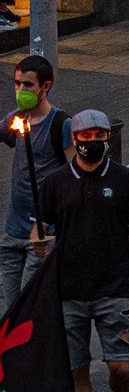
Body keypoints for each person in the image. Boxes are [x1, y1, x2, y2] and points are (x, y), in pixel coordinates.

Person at [39, 108, 129, 392]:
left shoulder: (123, 180)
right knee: (77, 370)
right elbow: (41, 230)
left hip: (113, 288)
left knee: (120, 367)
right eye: (85, 137)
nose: (92, 143)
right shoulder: (55, 183)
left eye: (98, 137)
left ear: (108, 138)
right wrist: (40, 244)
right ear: (74, 140)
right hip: (69, 291)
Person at [0, 54, 66, 308]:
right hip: (12, 232)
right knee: (11, 312)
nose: (21, 90)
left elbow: (74, 176)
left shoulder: (61, 124)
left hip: (41, 236)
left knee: (31, 309)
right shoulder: (16, 118)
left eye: (28, 85)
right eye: (17, 84)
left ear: (45, 87)